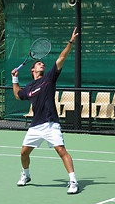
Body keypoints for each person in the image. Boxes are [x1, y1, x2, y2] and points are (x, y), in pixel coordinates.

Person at [11, 27, 79, 194]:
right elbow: (18, 95)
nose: (42, 64)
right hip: (35, 125)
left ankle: (73, 181)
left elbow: (61, 58)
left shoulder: (49, 78)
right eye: (39, 63)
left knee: (61, 150)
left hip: (50, 123)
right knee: (23, 153)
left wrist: (70, 42)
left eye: (42, 63)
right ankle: (26, 175)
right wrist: (14, 78)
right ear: (33, 70)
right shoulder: (29, 87)